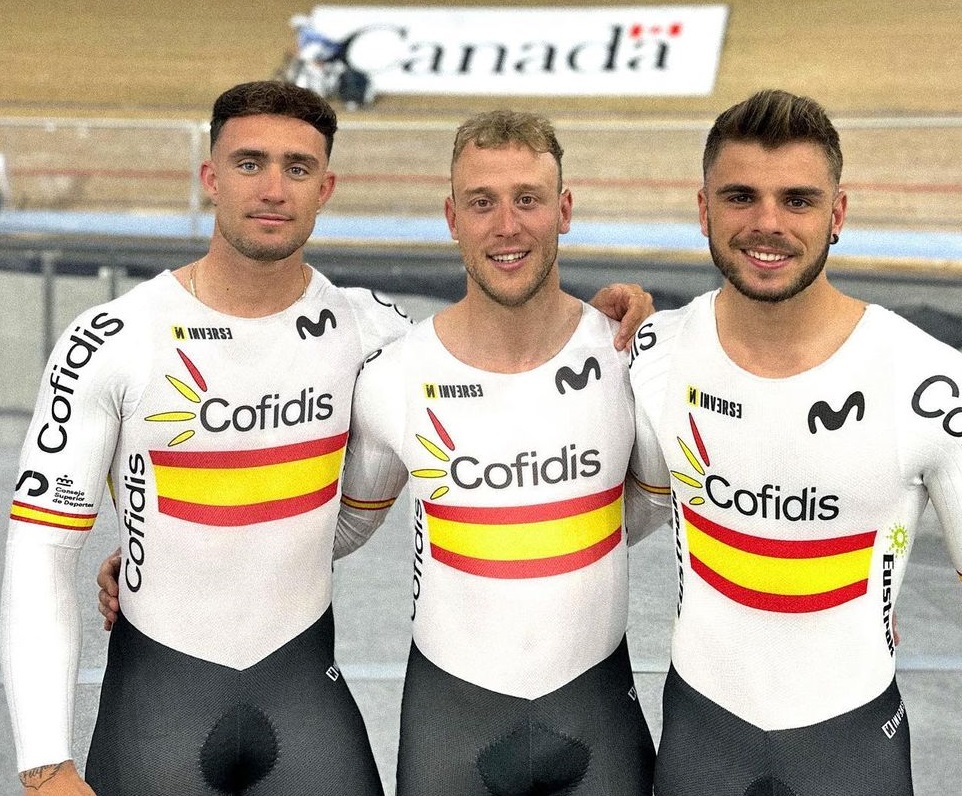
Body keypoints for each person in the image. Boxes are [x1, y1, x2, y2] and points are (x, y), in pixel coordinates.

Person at [627, 89, 962, 795]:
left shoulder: (929, 382)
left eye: (797, 200)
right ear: (703, 209)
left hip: (851, 754)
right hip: (700, 748)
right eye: (741, 197)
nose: (767, 223)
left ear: (837, 215)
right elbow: (633, 511)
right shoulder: (656, 349)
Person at [0, 80, 411, 796]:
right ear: (210, 177)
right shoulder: (112, 339)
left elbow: (505, 382)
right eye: (249, 163)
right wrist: (43, 765)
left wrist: (601, 323)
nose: (273, 188)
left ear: (326, 188)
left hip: (304, 696)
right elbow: (41, 548)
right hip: (158, 710)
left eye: (297, 167)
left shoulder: (374, 330)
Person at [330, 109, 656, 795]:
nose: (507, 226)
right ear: (452, 218)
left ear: (564, 210)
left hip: (597, 721)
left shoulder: (629, 356)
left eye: (527, 200)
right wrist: (174, 569)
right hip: (453, 731)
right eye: (482, 203)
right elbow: (342, 528)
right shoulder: (395, 377)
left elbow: (656, 504)